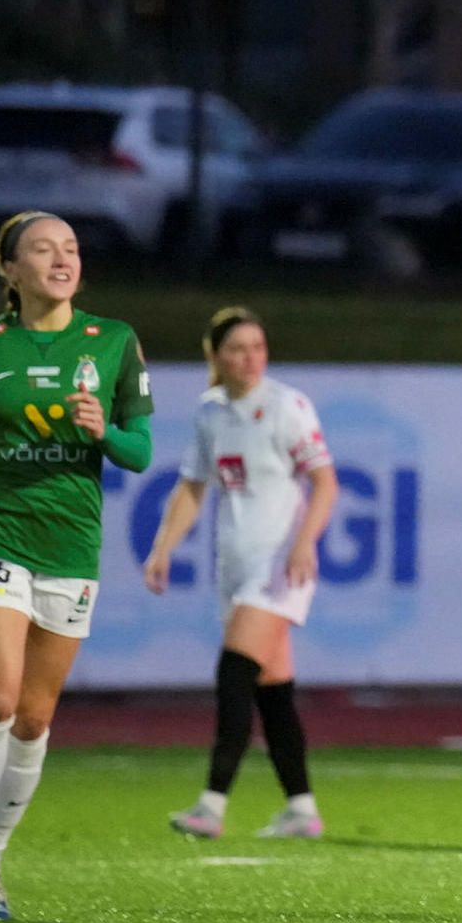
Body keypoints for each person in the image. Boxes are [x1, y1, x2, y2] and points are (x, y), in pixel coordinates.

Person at [0, 211, 154, 921]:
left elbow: (141, 451)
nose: (62, 258)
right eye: (43, 249)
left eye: (72, 248)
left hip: (70, 541)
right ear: (11, 269)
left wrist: (105, 431)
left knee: (33, 715)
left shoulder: (113, 340)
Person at [145, 308, 338, 840]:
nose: (250, 357)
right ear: (215, 356)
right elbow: (191, 487)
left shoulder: (286, 406)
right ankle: (301, 809)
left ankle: (211, 806)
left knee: (233, 673)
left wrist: (304, 544)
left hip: (278, 564)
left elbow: (325, 482)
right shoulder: (211, 413)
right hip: (236, 566)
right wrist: (163, 547)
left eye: (257, 346)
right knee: (272, 691)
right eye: (237, 348)